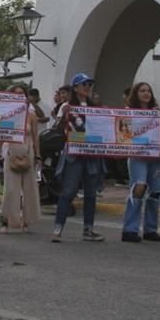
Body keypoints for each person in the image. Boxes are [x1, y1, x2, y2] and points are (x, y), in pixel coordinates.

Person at [51, 72, 106, 243]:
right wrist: (65, 116)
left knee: (91, 193)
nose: (87, 88)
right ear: (75, 88)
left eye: (89, 85)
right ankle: (58, 228)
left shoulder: (94, 107)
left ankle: (88, 229)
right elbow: (59, 131)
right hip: (74, 154)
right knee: (68, 191)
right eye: (84, 85)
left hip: (91, 153)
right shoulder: (67, 106)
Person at [121, 82, 160, 243]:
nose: (146, 93)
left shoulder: (157, 113)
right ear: (136, 93)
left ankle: (150, 229)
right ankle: (130, 229)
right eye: (142, 91)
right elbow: (123, 135)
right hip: (137, 156)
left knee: (156, 191)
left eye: (148, 91)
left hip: (155, 158)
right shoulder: (128, 113)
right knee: (138, 188)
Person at [0, 84, 41, 233]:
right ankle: (7, 221)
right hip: (11, 151)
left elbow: (36, 136)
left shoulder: (31, 115)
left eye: (22, 94)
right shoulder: (6, 114)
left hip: (28, 151)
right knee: (11, 189)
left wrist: (38, 154)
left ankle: (26, 221)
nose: (20, 97)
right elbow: (0, 133)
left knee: (29, 188)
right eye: (16, 94)